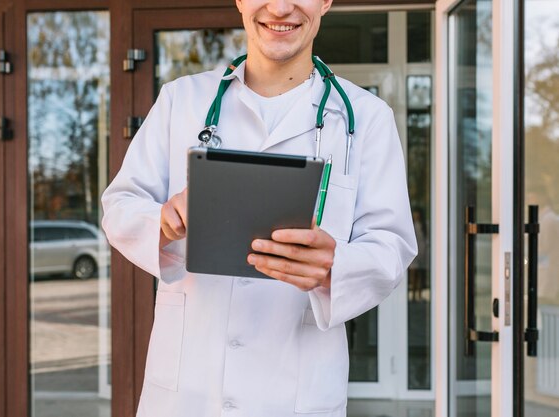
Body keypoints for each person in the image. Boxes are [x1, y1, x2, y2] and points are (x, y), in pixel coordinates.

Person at [101, 1, 417, 416]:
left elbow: (390, 246)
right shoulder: (181, 99)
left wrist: (334, 266)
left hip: (297, 393)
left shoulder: (367, 118)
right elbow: (120, 206)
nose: (281, 7)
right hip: (185, 392)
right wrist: (163, 221)